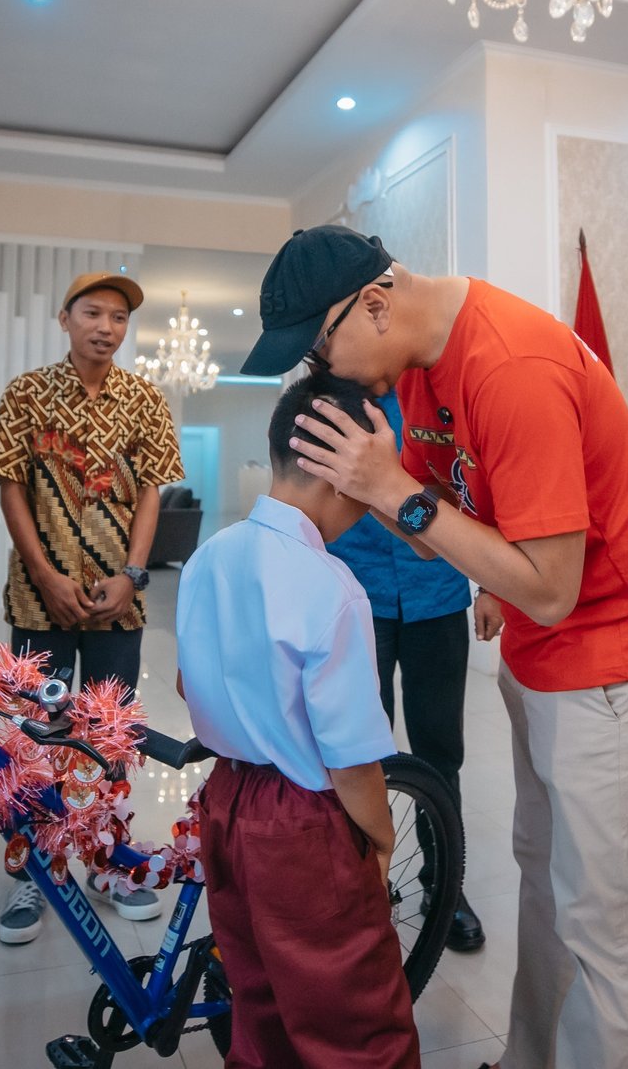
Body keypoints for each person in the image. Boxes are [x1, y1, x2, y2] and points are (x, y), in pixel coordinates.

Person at [241, 225, 628, 1069]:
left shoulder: (511, 367)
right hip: (544, 643)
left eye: (319, 346)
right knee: (542, 869)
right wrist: (370, 489)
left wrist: (395, 491)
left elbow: (550, 586)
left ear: (373, 304)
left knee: (599, 910)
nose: (322, 369)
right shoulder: (415, 369)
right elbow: (437, 535)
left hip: (616, 644)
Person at [175, 372, 420, 1069]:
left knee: (259, 1008)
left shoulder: (208, 557)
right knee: (356, 1027)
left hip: (226, 801)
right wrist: (379, 840)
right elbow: (350, 755)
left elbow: (189, 683)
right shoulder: (331, 586)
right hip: (301, 823)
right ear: (343, 474)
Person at [0, 270, 182, 943]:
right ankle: (36, 871)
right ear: (65, 318)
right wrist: (43, 572)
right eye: (93, 313)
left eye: (118, 317)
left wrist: (132, 575)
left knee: (110, 732)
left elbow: (150, 490)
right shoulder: (27, 393)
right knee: (39, 731)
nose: (106, 327)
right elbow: (10, 485)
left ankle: (107, 859)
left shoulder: (144, 398)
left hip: (118, 599)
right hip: (41, 599)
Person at [326, 390, 486, 952]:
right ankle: (360, 889)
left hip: (436, 592)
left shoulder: (443, 393)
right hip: (355, 593)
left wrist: (492, 585)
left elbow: (480, 488)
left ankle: (444, 883)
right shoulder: (334, 396)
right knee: (359, 753)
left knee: (440, 752)